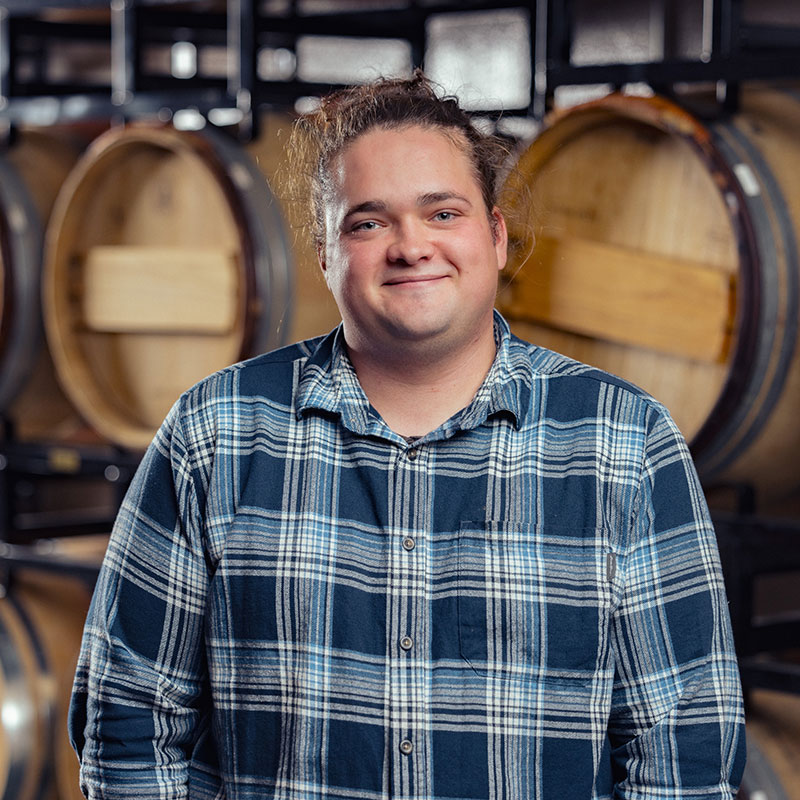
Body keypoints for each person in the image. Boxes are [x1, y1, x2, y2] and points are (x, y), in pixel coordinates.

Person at [69, 71, 746, 799]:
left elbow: (685, 746)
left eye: (443, 213)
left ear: (494, 236)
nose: (410, 246)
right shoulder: (216, 432)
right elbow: (129, 717)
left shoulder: (625, 443)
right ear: (326, 255)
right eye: (368, 222)